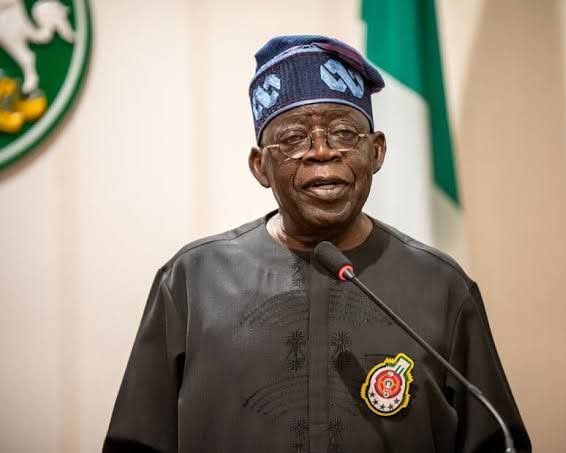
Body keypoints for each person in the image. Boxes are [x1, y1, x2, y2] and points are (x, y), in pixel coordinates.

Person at [103, 35, 530, 453]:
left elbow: (497, 441)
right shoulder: (192, 281)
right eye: (293, 139)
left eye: (344, 133)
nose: (322, 152)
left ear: (377, 152)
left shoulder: (440, 286)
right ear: (260, 166)